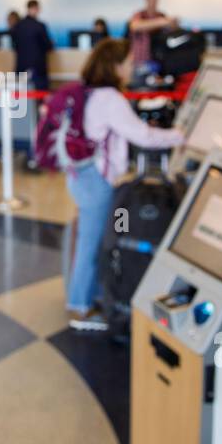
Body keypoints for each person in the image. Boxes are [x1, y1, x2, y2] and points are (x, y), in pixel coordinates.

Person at [64, 39, 185, 331]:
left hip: (82, 175)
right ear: (116, 66)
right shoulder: (110, 98)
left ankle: (90, 296)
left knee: (92, 239)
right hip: (95, 179)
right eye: (129, 62)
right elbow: (140, 135)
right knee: (91, 243)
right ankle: (79, 308)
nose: (133, 67)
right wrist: (178, 136)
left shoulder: (92, 93)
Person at [126, 0, 175, 74]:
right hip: (140, 63)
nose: (154, 2)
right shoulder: (139, 15)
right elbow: (134, 26)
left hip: (158, 62)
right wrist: (161, 22)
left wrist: (172, 23)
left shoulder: (161, 15)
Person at [9, 0, 53, 94]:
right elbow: (48, 46)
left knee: (22, 99)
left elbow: (14, 45)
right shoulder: (40, 26)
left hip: (21, 67)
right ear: (37, 8)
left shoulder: (18, 26)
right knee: (40, 96)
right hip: (38, 68)